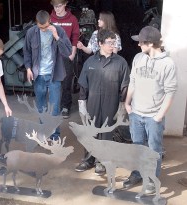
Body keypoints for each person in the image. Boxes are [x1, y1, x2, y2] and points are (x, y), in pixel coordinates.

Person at [123, 26, 177, 194]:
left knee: (154, 149)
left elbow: (170, 92)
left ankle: (152, 178)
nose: (138, 45)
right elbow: (132, 82)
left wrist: (159, 116)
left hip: (154, 116)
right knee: (137, 146)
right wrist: (127, 103)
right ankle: (138, 173)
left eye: (141, 42)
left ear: (151, 43)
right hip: (136, 113)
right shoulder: (138, 58)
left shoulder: (168, 64)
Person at [75, 29, 130, 175]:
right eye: (109, 43)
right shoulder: (90, 62)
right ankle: (88, 160)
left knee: (106, 132)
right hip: (92, 103)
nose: (112, 45)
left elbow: (125, 86)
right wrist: (82, 104)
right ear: (100, 43)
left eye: (114, 42)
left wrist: (122, 106)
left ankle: (102, 162)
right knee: (90, 131)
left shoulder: (121, 63)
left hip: (110, 104)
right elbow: (83, 85)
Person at [23, 10, 72, 140]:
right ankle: (44, 132)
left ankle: (55, 135)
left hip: (54, 75)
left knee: (55, 108)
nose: (43, 30)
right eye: (40, 27)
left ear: (50, 21)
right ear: (36, 23)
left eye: (45, 27)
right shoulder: (31, 33)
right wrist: (28, 68)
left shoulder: (59, 31)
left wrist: (56, 36)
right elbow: (27, 52)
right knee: (41, 108)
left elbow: (67, 52)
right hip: (38, 75)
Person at [50, 0, 80, 119]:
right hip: (53, 55)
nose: (56, 9)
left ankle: (65, 106)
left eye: (59, 6)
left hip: (66, 54)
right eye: (54, 6)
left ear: (65, 4)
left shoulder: (72, 19)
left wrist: (73, 52)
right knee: (53, 81)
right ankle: (54, 106)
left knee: (67, 81)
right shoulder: (50, 19)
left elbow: (75, 37)